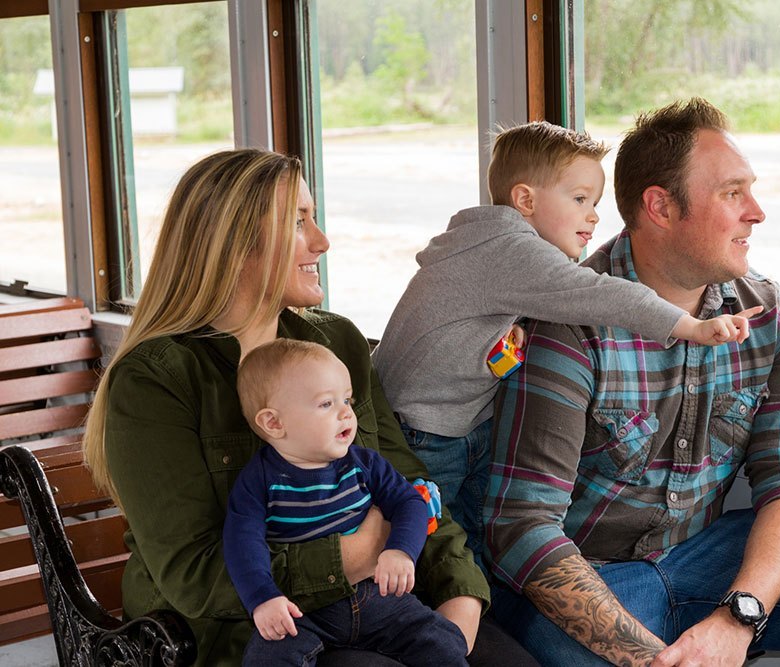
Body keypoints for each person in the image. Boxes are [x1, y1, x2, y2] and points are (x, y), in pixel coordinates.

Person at [483, 98, 780, 666]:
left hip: (706, 552)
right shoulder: (567, 323)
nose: (757, 212)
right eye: (732, 193)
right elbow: (521, 526)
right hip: (589, 572)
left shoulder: (769, 318)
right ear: (660, 207)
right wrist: (651, 658)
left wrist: (738, 616)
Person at [81, 149, 531, 667]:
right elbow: (193, 575)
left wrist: (460, 599)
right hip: (245, 634)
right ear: (233, 246)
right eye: (299, 222)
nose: (322, 241)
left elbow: (413, 486)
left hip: (375, 608)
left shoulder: (335, 342)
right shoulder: (156, 378)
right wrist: (365, 550)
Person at [372, 121, 760, 568]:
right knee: (434, 541)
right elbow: (600, 293)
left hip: (460, 419)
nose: (594, 216)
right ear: (524, 200)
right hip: (425, 429)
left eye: (594, 202)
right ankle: (436, 620)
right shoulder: (508, 250)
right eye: (579, 200)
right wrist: (689, 326)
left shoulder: (493, 250)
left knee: (472, 535)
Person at [224, 338, 467, 666]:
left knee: (443, 642)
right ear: (274, 423)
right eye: (326, 404)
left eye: (347, 401)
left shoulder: (364, 463)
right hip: (304, 610)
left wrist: (400, 550)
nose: (345, 413)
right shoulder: (258, 481)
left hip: (378, 597)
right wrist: (262, 599)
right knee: (265, 656)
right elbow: (242, 545)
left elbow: (409, 502)